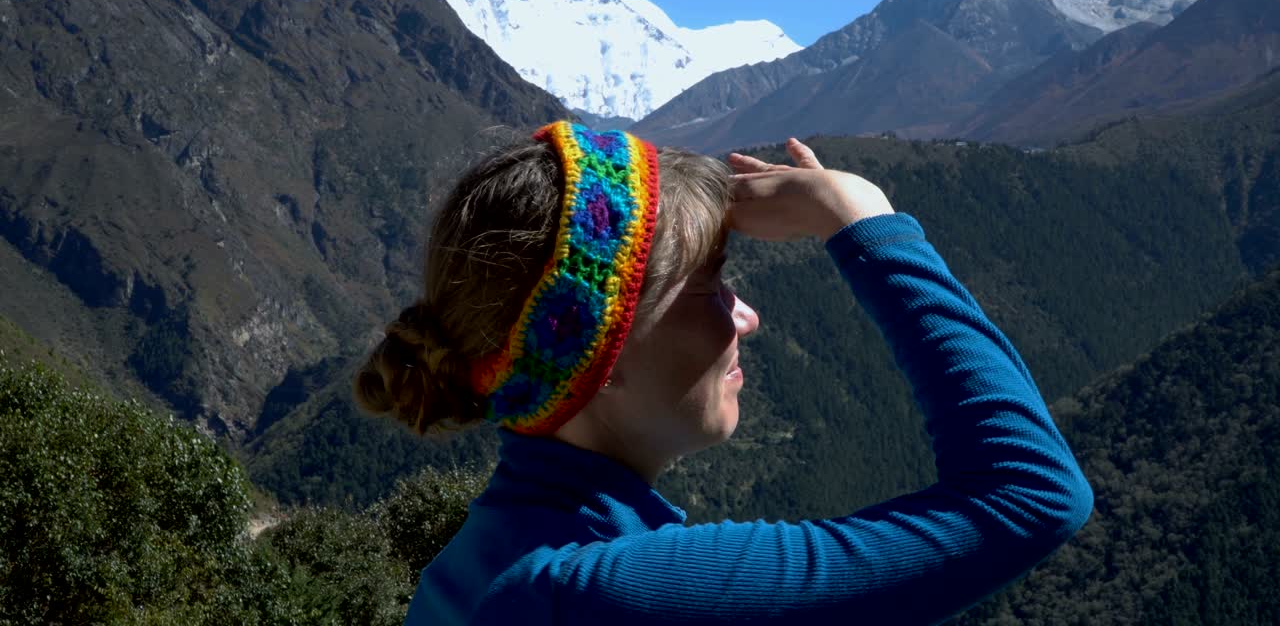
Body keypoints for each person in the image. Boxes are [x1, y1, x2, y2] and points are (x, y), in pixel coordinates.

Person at [355, 121, 1094, 625]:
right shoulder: (605, 594)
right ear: (597, 356)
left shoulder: (471, 570)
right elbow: (1032, 493)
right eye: (712, 285)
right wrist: (858, 215)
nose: (747, 318)